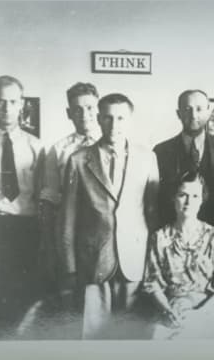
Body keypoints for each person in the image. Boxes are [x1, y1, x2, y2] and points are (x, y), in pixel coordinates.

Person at [56, 93, 159, 339]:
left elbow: (153, 213)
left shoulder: (147, 157)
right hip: (93, 260)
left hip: (135, 259)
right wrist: (70, 267)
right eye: (108, 118)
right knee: (91, 333)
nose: (115, 125)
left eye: (121, 118)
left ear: (130, 120)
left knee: (132, 333)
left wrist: (155, 262)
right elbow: (68, 218)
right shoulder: (79, 160)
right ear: (99, 119)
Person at [0, 75, 45, 340]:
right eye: (0, 102)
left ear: (22, 104)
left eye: (13, 102)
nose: (6, 108)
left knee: (23, 304)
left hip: (24, 231)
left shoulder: (37, 147)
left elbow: (42, 198)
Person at [142, 172, 214, 339]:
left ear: (202, 200)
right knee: (158, 337)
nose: (188, 202)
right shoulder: (160, 237)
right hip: (172, 306)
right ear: (173, 198)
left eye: (195, 196)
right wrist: (167, 311)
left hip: (208, 308)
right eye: (182, 195)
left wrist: (200, 313)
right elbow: (153, 284)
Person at [39, 82, 101, 290]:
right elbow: (49, 197)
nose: (85, 114)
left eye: (90, 107)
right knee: (71, 291)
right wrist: (49, 243)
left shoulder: (113, 144)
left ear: (98, 109)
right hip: (71, 231)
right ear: (69, 113)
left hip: (103, 231)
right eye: (77, 109)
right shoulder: (58, 150)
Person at [153, 89, 214, 229]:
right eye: (187, 109)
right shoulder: (161, 151)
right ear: (178, 114)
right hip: (173, 234)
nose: (193, 115)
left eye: (199, 109)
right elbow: (156, 200)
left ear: (209, 112)